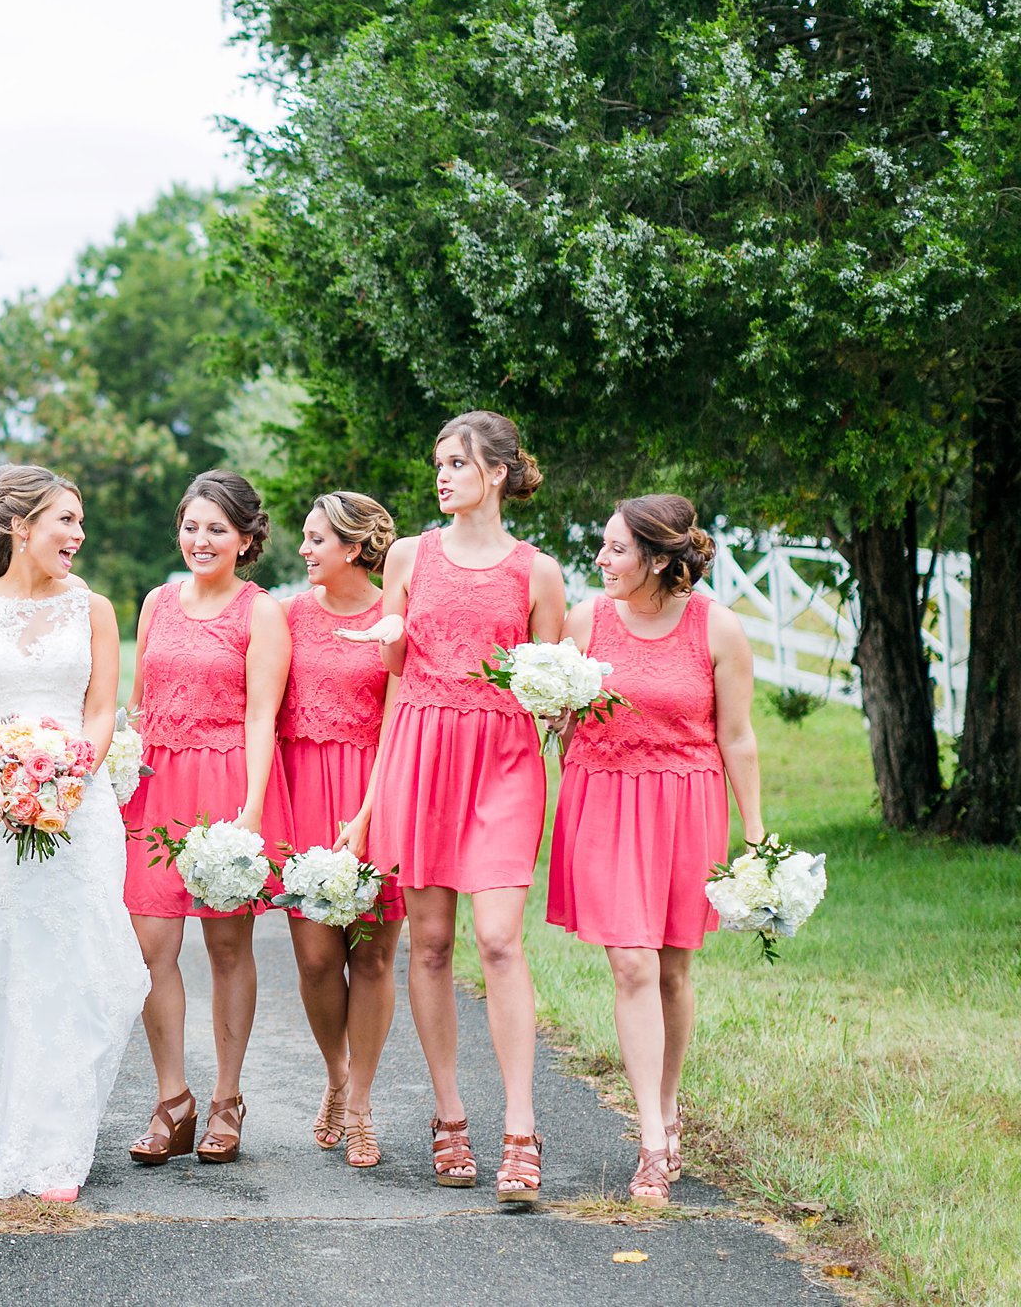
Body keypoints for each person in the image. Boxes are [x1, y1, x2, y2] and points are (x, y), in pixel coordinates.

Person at [341, 410, 566, 1206]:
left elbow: (547, 686)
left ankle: (520, 1125)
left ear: (497, 473)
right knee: (430, 940)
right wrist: (391, 641)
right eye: (437, 463)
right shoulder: (410, 554)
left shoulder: (538, 573)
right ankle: (449, 1115)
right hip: (422, 748)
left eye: (457, 463)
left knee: (500, 939)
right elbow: (396, 672)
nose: (441, 477)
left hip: (504, 758)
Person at [0, 465, 148, 1202]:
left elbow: (100, 709)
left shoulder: (96, 610)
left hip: (79, 804)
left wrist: (71, 771)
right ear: (21, 527)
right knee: (4, 953)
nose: (78, 536)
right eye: (66, 521)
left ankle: (55, 1145)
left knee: (74, 963)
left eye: (79, 523)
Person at [547, 495, 764, 1207]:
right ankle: (647, 1140)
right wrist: (553, 711)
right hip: (605, 800)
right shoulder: (585, 622)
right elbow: (559, 725)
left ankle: (668, 1107)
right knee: (632, 963)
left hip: (685, 804)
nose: (601, 561)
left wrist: (756, 835)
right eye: (602, 547)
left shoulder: (719, 629)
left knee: (673, 970)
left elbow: (736, 737)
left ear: (661, 559)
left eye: (615, 549)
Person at [122, 470, 292, 1168]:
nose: (201, 540)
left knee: (227, 949)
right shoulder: (157, 602)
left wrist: (250, 810)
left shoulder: (262, 613)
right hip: (156, 787)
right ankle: (173, 1100)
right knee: (150, 948)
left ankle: (227, 1098)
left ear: (246, 539)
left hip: (226, 785)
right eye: (192, 526)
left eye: (217, 529)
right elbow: (135, 705)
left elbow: (263, 717)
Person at [276, 492, 403, 1167]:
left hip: (377, 795)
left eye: (316, 539)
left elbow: (401, 720)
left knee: (373, 957)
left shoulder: (395, 616)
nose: (304, 549)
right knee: (318, 959)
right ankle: (336, 1072)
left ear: (353, 548)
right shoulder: (288, 616)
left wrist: (370, 811)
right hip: (303, 797)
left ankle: (360, 1104)